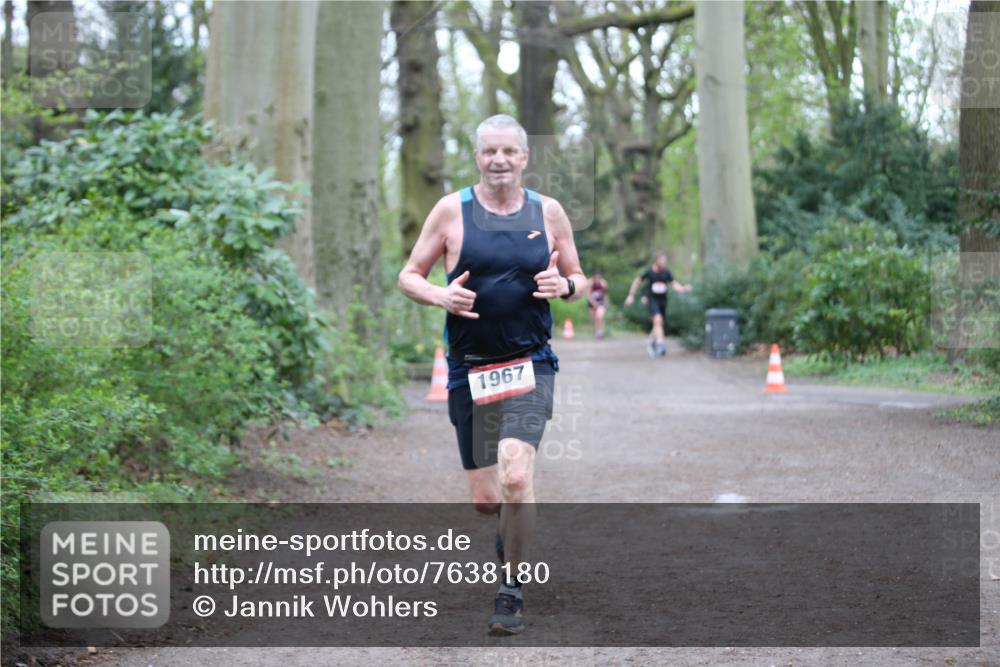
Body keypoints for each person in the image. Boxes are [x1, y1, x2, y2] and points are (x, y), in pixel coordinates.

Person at [398, 114, 587, 635]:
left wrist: (564, 287)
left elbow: (579, 276)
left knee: (516, 475)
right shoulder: (450, 211)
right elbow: (408, 275)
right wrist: (440, 294)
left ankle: (511, 592)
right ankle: (508, 528)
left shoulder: (547, 212)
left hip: (530, 362)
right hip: (470, 369)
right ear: (477, 157)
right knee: (487, 500)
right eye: (489, 152)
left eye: (509, 151)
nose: (499, 160)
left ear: (525, 157)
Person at [624, 252, 692, 357]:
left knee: (659, 324)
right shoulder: (649, 271)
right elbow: (637, 281)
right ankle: (661, 345)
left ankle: (653, 342)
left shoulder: (666, 272)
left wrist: (683, 288)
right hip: (652, 300)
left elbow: (674, 284)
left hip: (663, 301)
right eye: (662, 260)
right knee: (658, 320)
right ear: (656, 260)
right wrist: (631, 295)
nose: (664, 262)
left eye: (665, 261)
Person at [588, 272, 608, 339]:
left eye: (599, 279)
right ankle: (597, 332)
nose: (597, 280)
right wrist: (593, 303)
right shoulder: (590, 283)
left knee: (600, 316)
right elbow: (589, 295)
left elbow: (605, 294)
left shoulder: (603, 283)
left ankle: (600, 332)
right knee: (594, 319)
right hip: (592, 302)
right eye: (596, 278)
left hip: (600, 302)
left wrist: (605, 303)